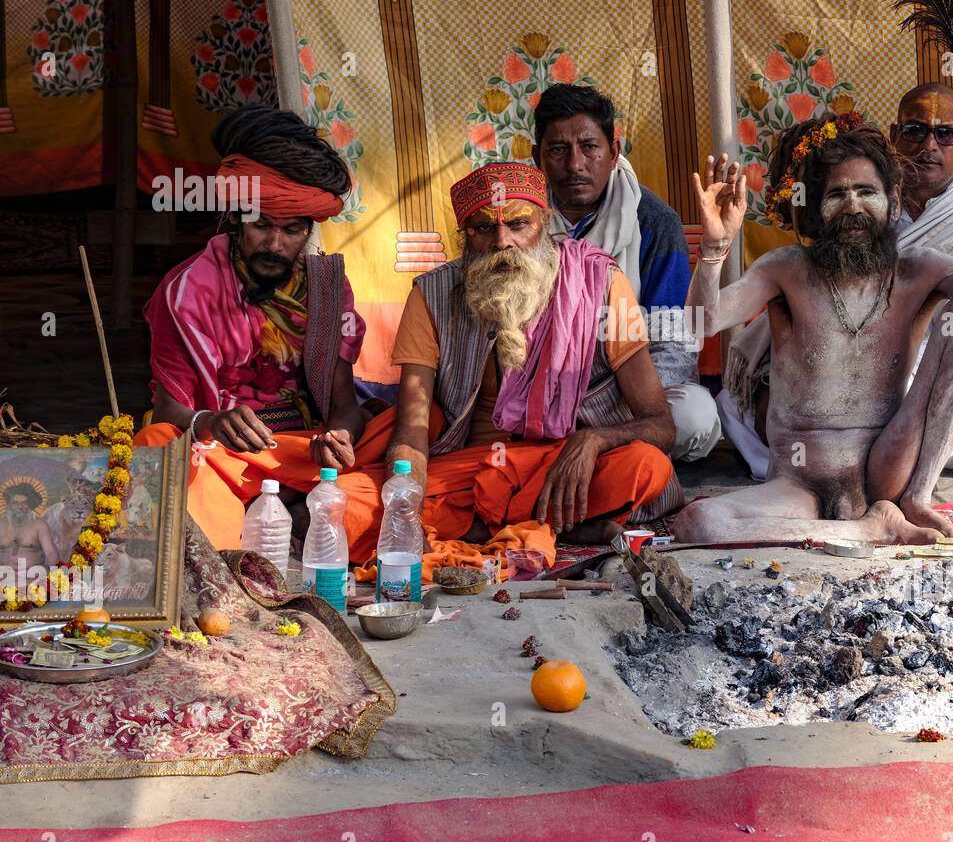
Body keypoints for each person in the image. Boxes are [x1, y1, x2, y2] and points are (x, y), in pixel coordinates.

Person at [672, 115, 953, 544]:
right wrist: (714, 248)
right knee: (696, 524)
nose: (852, 207)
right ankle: (868, 530)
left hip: (887, 469)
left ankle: (916, 499)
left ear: (892, 200)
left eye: (866, 192)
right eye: (837, 194)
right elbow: (700, 322)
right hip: (799, 485)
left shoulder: (919, 270)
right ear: (817, 207)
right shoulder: (787, 269)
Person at [336, 160, 681, 556]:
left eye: (518, 224)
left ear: (544, 224)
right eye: (484, 228)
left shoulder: (600, 283)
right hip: (473, 470)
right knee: (349, 502)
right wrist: (405, 511)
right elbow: (412, 428)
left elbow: (661, 425)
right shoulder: (431, 296)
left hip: (567, 468)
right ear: (464, 237)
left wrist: (594, 440)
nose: (502, 241)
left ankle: (492, 526)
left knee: (646, 467)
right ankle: (550, 526)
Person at [135, 106, 384, 549]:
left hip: (305, 454)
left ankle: (281, 509)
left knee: (411, 435)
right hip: (225, 458)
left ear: (308, 229)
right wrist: (211, 421)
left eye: (291, 230)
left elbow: (344, 406)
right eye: (261, 225)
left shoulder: (326, 287)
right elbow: (169, 414)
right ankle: (279, 513)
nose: (274, 243)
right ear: (235, 218)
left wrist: (340, 437)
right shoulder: (186, 291)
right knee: (156, 445)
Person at [535, 84, 721, 462]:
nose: (575, 165)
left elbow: (674, 346)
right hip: (540, 390)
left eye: (590, 147)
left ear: (614, 152)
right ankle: (611, 457)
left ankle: (600, 448)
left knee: (695, 416)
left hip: (627, 395)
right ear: (536, 156)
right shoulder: (521, 220)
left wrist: (603, 403)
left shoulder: (653, 222)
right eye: (558, 150)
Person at [0, 482, 58, 568]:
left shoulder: (39, 524)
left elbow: (50, 553)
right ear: (9, 505)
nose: (20, 506)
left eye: (24, 502)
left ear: (30, 504)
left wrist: (47, 574)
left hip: (33, 576)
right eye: (15, 503)